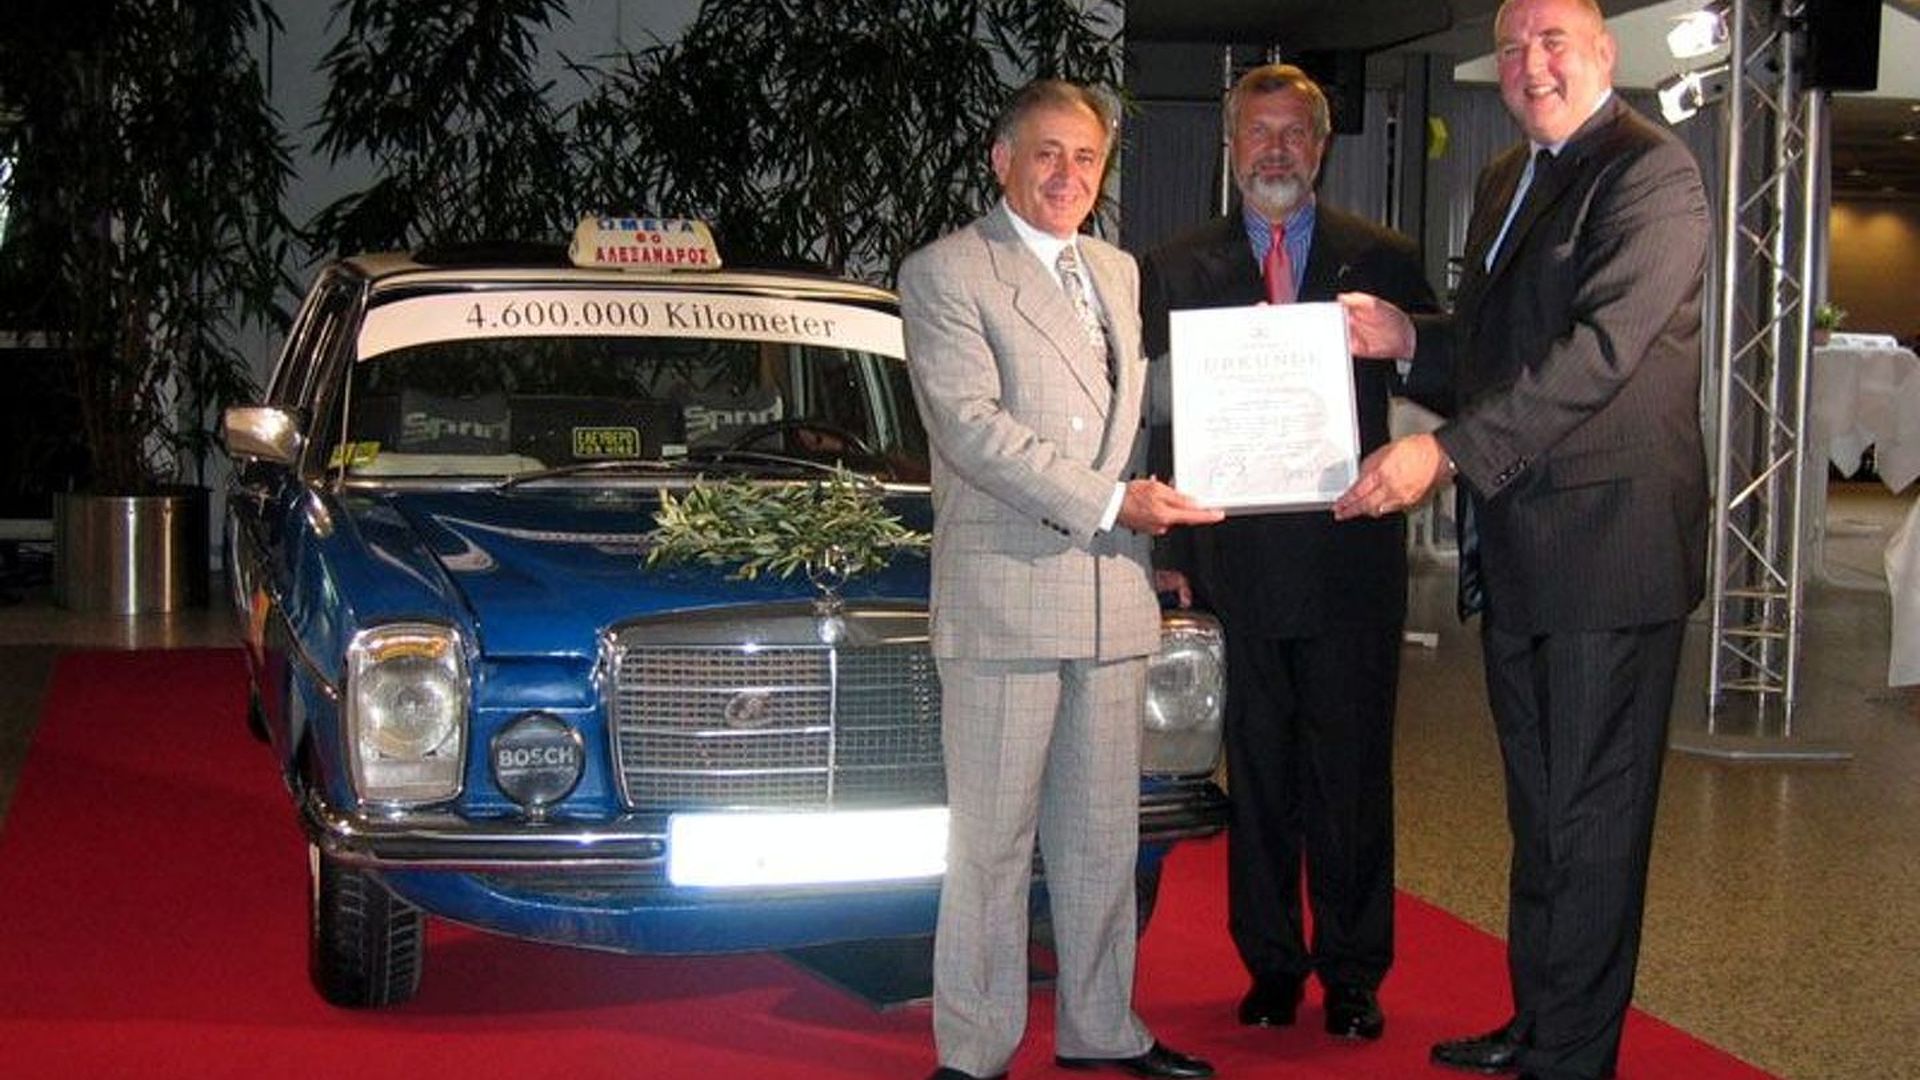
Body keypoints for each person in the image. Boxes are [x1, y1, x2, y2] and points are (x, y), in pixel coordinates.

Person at [1334, 1, 1711, 1077]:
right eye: (1510, 47)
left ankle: (1573, 1055)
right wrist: (1413, 341)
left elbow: (1601, 352)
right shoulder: (1510, 177)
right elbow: (1504, 345)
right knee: (1542, 812)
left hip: (1609, 553)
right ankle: (1541, 1021)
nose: (1529, 64)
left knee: (1592, 822)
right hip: (1523, 551)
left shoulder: (1652, 174)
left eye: (1553, 42)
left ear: (1604, 52)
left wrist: (1446, 452)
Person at [898, 79, 1223, 1080]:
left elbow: (1131, 415)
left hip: (1112, 596)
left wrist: (1258, 375)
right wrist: (1117, 503)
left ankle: (1102, 1027)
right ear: (1002, 161)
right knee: (992, 847)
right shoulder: (947, 272)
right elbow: (973, 432)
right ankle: (974, 1049)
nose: (1067, 175)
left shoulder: (1116, 271)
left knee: (1100, 839)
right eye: (1046, 153)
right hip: (1006, 598)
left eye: (1085, 158)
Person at [1138, 63, 1439, 1044]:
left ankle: (1353, 972)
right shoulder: (1176, 265)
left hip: (1350, 559)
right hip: (1233, 565)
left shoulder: (1384, 259)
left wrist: (1415, 435)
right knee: (1259, 774)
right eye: (1257, 133)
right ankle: (1270, 964)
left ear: (1321, 147)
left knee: (1351, 780)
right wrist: (1168, 546)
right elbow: (1155, 418)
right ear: (1231, 147)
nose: (1275, 151)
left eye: (1292, 134)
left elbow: (1437, 388)